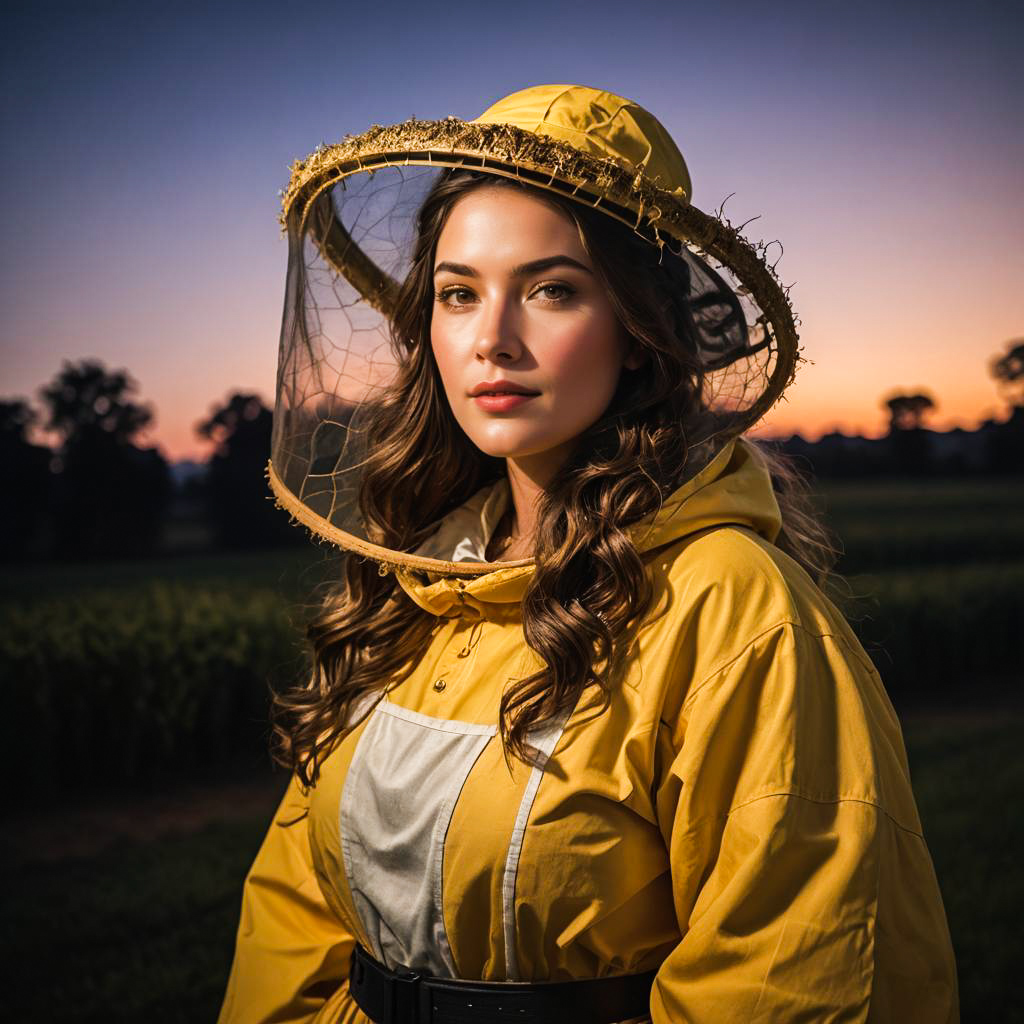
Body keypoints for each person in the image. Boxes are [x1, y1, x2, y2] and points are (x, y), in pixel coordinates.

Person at [218, 85, 959, 1023]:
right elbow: (292, 911)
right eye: (457, 294)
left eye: (552, 290)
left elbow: (792, 973)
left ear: (641, 336)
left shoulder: (735, 610)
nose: (492, 340)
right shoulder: (418, 585)